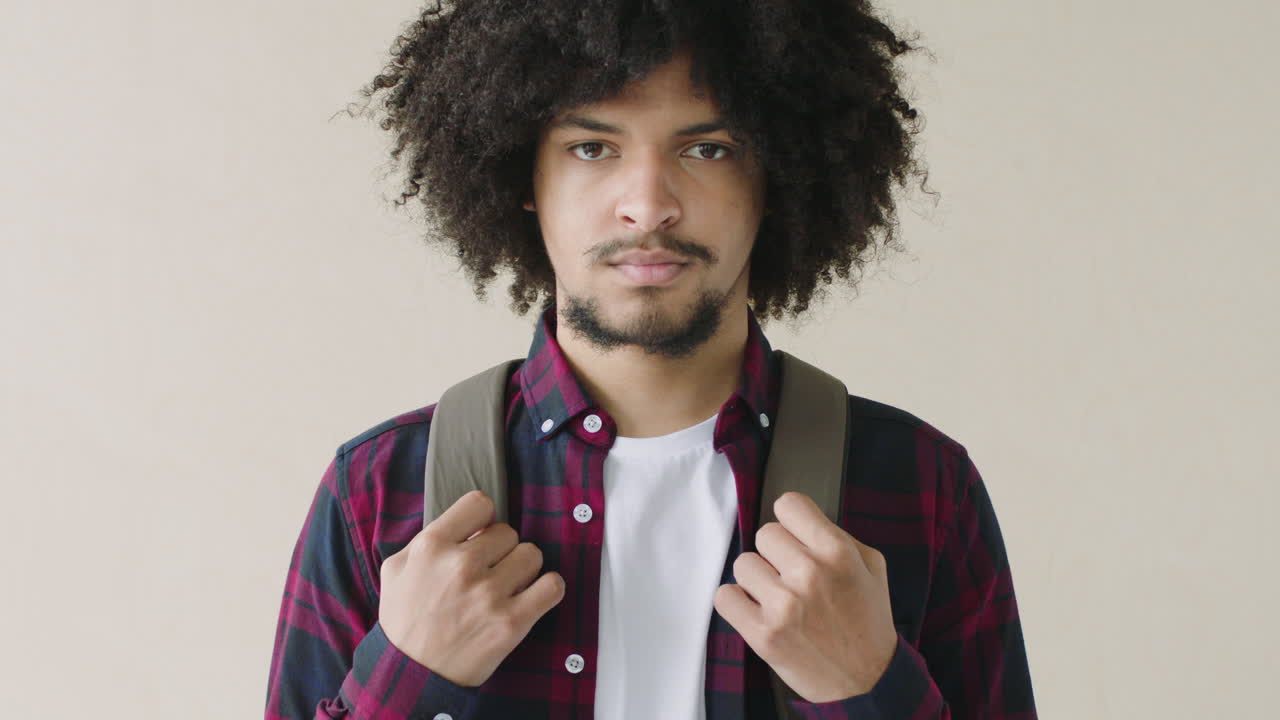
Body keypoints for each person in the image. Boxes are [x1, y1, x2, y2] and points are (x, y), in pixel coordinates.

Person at [265, 1, 1038, 718]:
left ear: (779, 173)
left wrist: (867, 690)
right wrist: (410, 675)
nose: (647, 204)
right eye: (592, 147)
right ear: (521, 175)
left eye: (708, 147)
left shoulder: (920, 484)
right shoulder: (378, 490)